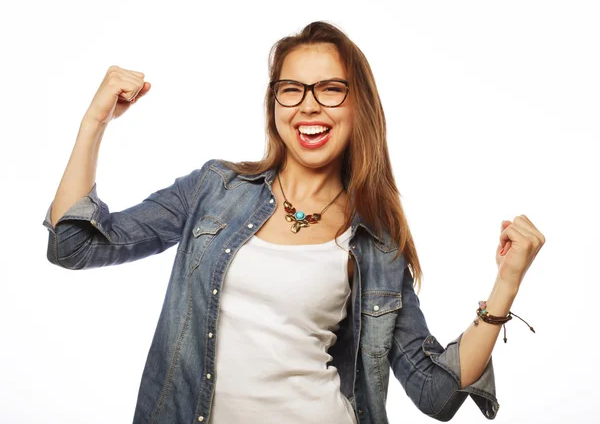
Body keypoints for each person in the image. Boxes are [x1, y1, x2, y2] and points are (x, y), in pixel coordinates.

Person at [43, 21, 545, 424]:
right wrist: (95, 122)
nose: (309, 104)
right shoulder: (213, 189)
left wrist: (506, 285)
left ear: (358, 107)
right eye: (292, 89)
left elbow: (435, 393)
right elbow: (74, 245)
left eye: (330, 89)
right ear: (274, 104)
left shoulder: (375, 240)